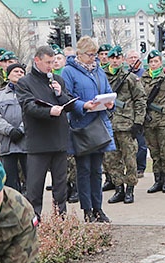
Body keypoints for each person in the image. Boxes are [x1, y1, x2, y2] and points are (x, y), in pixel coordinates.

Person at [63, 36, 116, 223]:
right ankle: (87, 210)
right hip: (82, 127)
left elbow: (107, 90)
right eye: (89, 54)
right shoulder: (68, 71)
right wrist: (84, 105)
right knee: (83, 170)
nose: (93, 58)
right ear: (79, 53)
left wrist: (110, 103)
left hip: (99, 125)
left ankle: (98, 208)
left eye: (95, 54)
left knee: (97, 170)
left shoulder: (99, 71)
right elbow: (66, 97)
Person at [18, 45, 73, 217]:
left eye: (54, 61)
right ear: (37, 60)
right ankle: (34, 220)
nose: (51, 65)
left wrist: (59, 94)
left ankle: (61, 218)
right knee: (35, 187)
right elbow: (29, 107)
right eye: (48, 62)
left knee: (60, 186)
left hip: (59, 140)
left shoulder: (58, 80)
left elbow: (69, 103)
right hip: (39, 142)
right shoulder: (25, 82)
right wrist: (49, 111)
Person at [102, 45, 145, 205]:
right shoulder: (102, 77)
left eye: (117, 58)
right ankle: (118, 188)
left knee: (130, 159)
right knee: (112, 160)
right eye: (112, 58)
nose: (114, 61)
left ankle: (130, 190)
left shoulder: (130, 78)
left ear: (122, 59)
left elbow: (140, 100)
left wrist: (138, 122)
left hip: (126, 125)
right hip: (108, 124)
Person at [141, 49, 165, 195]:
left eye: (156, 61)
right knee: (154, 153)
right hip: (149, 121)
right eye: (151, 62)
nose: (153, 64)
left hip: (164, 121)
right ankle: (157, 180)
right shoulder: (142, 80)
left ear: (160, 63)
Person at [0, 61, 27, 195]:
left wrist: (21, 129)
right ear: (8, 75)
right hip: (7, 143)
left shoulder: (30, 94)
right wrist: (9, 130)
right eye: (16, 71)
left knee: (30, 179)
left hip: (26, 143)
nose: (19, 74)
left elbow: (33, 113)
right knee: (9, 181)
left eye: (22, 72)